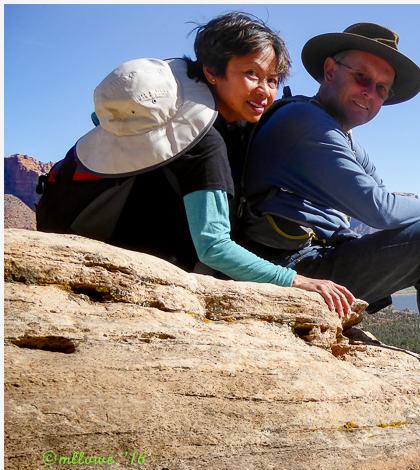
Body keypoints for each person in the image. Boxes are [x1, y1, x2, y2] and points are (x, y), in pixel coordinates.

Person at [239, 23, 420, 375]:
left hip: (313, 257)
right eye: (362, 77)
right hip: (291, 266)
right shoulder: (306, 122)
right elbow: (380, 209)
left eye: (381, 89)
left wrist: (419, 210)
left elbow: (384, 196)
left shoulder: (338, 133)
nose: (370, 93)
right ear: (330, 71)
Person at [36, 12, 355, 318]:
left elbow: (98, 118)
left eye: (272, 80)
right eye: (251, 74)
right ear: (212, 71)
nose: (265, 91)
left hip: (70, 226)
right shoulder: (204, 142)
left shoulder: (176, 106)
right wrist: (295, 280)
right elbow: (213, 247)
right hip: (125, 268)